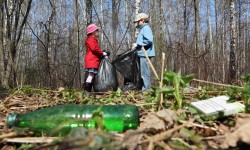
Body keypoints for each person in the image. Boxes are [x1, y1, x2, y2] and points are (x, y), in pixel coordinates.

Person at [132, 13, 155, 91]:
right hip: (142, 53)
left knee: (145, 73)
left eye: (138, 22)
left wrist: (138, 44)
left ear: (142, 20)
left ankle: (146, 89)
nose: (137, 24)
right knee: (142, 72)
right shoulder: (142, 29)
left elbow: (149, 40)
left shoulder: (146, 28)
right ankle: (144, 88)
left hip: (145, 54)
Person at [84, 24, 110, 93]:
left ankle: (88, 90)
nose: (98, 32)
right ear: (92, 32)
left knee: (92, 75)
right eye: (97, 31)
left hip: (93, 60)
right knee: (91, 75)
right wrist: (102, 53)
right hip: (91, 61)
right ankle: (87, 91)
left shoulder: (93, 40)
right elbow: (94, 49)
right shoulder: (90, 40)